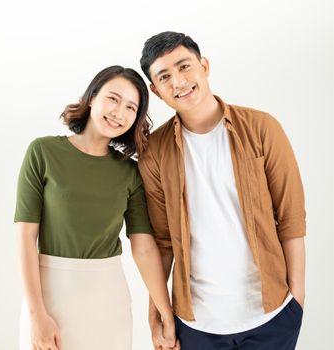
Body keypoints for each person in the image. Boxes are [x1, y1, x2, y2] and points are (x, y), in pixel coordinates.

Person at [138, 32, 307, 350]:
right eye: (165, 76)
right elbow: (161, 244)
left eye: (184, 66)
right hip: (196, 324)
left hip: (271, 316)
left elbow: (291, 217)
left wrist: (296, 300)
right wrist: (159, 317)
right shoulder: (154, 153)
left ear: (204, 66)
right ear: (156, 90)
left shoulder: (261, 128)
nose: (179, 81)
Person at [15, 65, 177, 350]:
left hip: (108, 300)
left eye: (131, 107)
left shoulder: (129, 172)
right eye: (113, 99)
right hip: (50, 297)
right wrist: (36, 313)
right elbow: (26, 238)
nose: (119, 113)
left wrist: (165, 314)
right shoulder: (43, 152)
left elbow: (144, 248)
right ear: (92, 97)